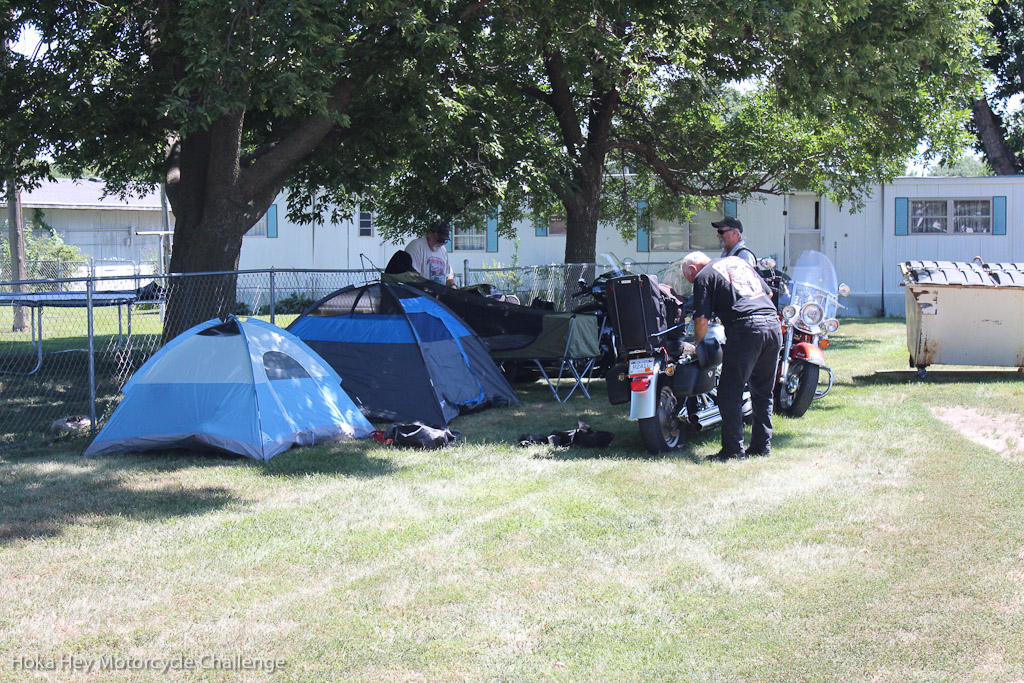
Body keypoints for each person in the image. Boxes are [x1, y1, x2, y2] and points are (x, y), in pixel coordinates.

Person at [681, 251, 782, 461]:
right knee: (762, 392)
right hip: (773, 325)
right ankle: (762, 447)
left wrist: (698, 345)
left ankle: (733, 451)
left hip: (746, 329)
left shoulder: (703, 276)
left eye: (688, 279)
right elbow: (769, 294)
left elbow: (701, 320)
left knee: (729, 392)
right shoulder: (738, 263)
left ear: (692, 269)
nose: (692, 283)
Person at [405, 221, 456, 287]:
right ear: (429, 234)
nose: (441, 243)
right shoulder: (417, 246)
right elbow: (413, 276)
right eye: (439, 240)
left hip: (439, 294)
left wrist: (454, 288)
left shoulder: (443, 250)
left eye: (444, 241)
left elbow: (448, 277)